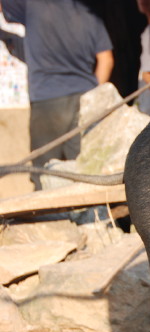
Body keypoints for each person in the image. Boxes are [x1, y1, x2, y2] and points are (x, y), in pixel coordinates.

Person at [0, 0, 113, 190]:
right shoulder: (90, 15)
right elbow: (106, 59)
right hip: (84, 101)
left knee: (43, 172)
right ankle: (91, 215)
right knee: (86, 170)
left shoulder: (34, 6)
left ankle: (47, 219)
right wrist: (93, 95)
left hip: (47, 101)